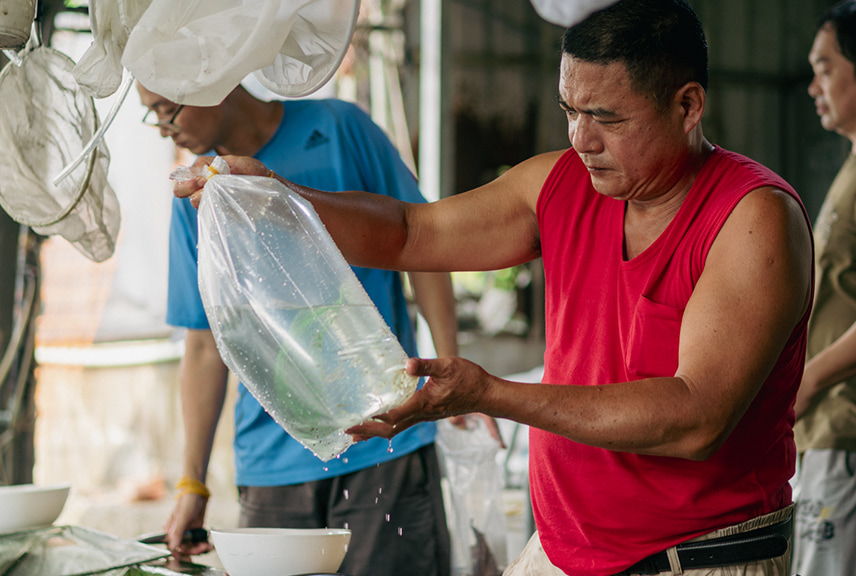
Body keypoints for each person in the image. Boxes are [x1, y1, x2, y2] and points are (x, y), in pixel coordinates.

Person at [174, 1, 814, 574]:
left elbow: (696, 417)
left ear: (687, 105)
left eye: (607, 118)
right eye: (570, 111)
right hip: (566, 548)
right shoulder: (556, 185)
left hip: (699, 556)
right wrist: (277, 196)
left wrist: (490, 394)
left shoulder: (752, 219)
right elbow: (407, 233)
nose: (581, 140)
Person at [138, 83, 460, 576]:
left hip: (384, 436)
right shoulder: (197, 192)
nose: (162, 126)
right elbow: (204, 345)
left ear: (212, 82)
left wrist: (449, 370)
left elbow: (425, 245)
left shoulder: (338, 129)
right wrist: (192, 484)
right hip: (272, 467)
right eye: (151, 114)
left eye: (166, 108)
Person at [793, 2, 856, 573]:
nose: (814, 85)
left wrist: (809, 380)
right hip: (828, 427)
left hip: (844, 421)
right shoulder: (850, 166)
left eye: (826, 67)